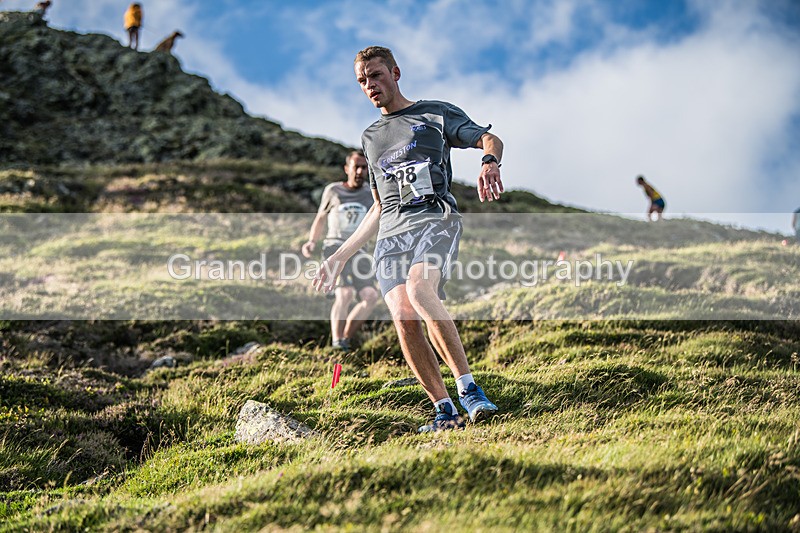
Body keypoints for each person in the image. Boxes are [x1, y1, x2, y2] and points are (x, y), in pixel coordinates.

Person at [313, 46, 504, 433]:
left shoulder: (434, 113)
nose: (370, 86)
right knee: (404, 316)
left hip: (435, 219)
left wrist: (489, 162)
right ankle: (444, 409)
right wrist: (340, 257)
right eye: (362, 81)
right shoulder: (370, 137)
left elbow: (489, 139)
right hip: (390, 237)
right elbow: (379, 207)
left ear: (395, 73)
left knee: (420, 290)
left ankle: (469, 390)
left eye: (376, 76)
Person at [303, 151, 380, 351]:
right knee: (345, 294)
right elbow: (321, 217)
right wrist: (312, 241)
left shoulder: (372, 194)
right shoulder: (333, 191)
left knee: (371, 296)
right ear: (347, 169)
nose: (361, 171)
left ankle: (344, 340)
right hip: (334, 247)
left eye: (365, 168)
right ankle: (337, 342)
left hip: (360, 250)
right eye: (357, 167)